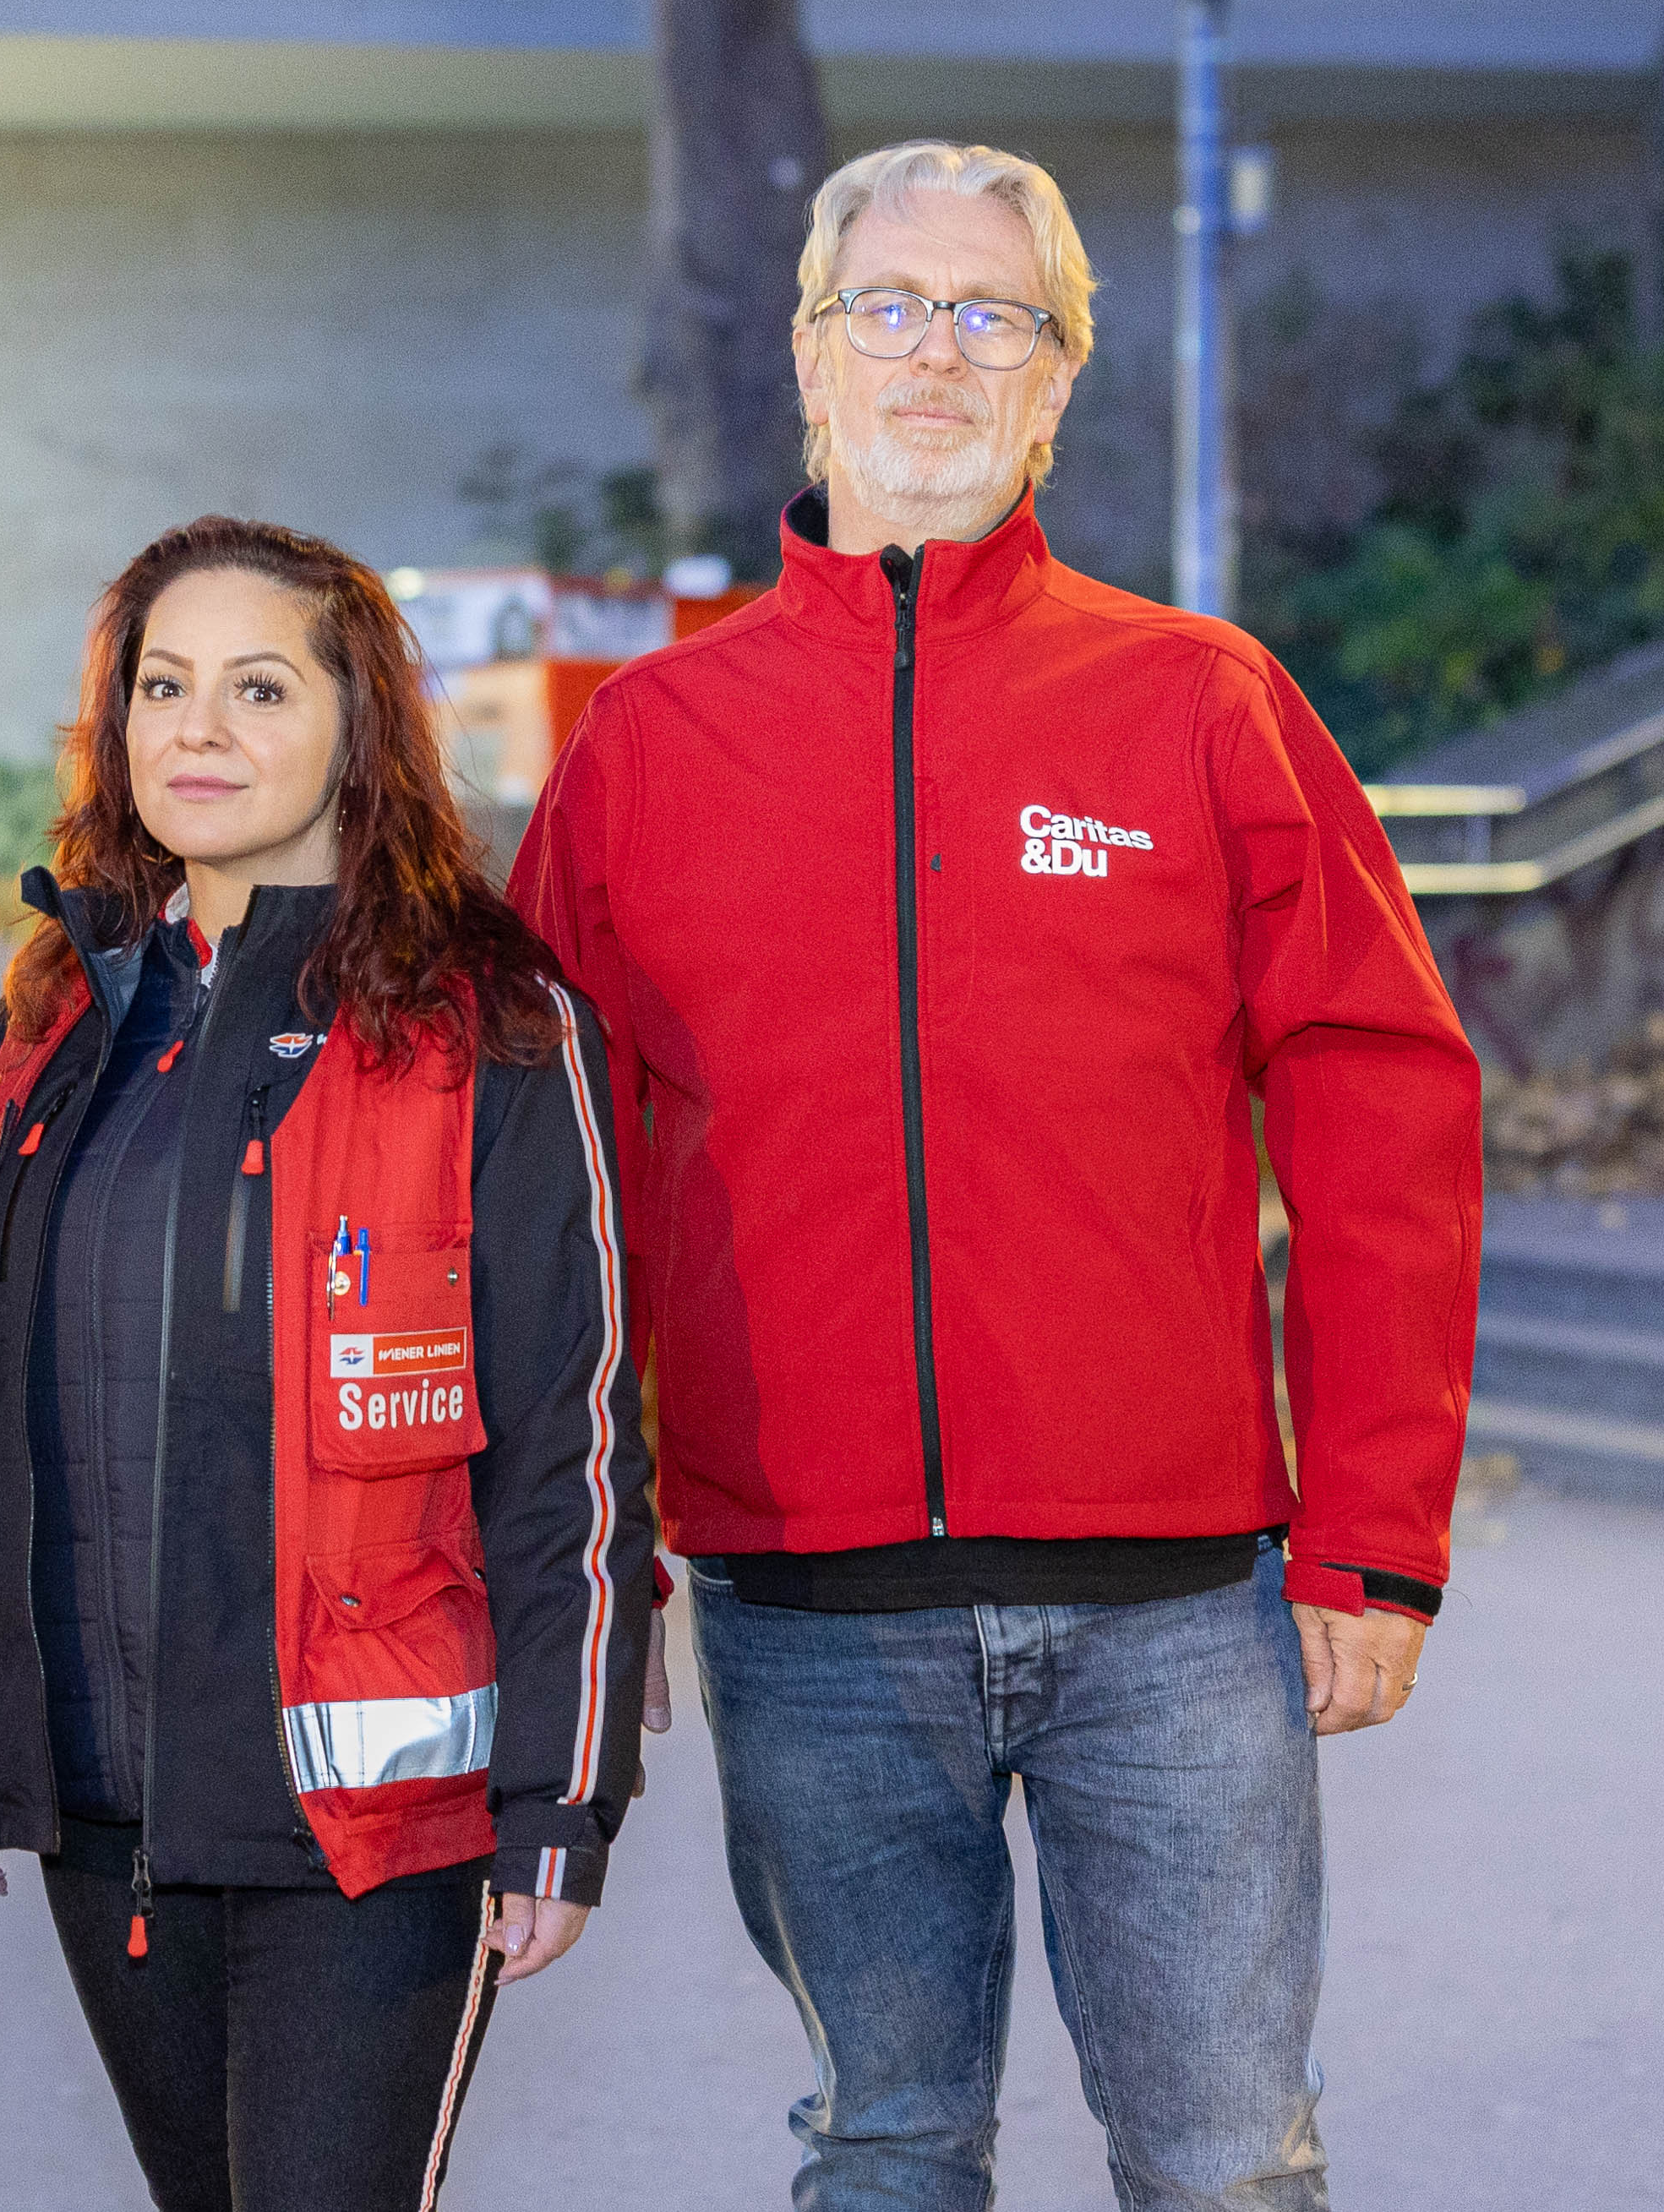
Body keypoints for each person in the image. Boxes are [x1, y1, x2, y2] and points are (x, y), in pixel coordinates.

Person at [510, 141, 1482, 2212]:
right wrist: (572, 1576)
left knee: (1224, 2162)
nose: (934, 354)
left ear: (1056, 385)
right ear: (807, 356)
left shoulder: (1199, 706)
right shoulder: (646, 753)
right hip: (805, 1603)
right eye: (888, 305)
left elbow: (1385, 1106)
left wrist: (1376, 1533)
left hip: (1180, 1613)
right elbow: (535, 1188)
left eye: (992, 316)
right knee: (885, 2149)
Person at [0, 519, 650, 2212]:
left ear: (357, 729)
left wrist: (560, 1800)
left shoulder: (487, 1024)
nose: (197, 728)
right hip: (104, 1810)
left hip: (367, 1829)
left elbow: (570, 1453)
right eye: (161, 686)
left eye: (255, 686)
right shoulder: (55, 1021)